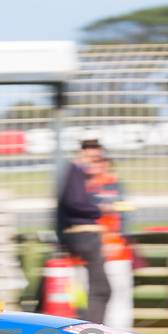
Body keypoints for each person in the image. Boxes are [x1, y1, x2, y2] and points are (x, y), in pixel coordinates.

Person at [56, 138, 112, 323]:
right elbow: (73, 202)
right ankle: (93, 329)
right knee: (101, 289)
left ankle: (90, 325)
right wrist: (97, 210)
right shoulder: (75, 171)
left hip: (80, 236)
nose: (94, 155)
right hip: (84, 236)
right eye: (90, 150)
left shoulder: (77, 173)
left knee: (90, 289)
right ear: (83, 152)